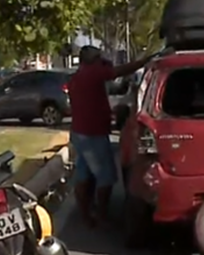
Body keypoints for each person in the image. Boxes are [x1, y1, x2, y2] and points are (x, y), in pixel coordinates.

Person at [67, 46, 162, 227]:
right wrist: (143, 61)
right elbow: (118, 71)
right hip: (93, 134)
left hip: (79, 132)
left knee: (83, 174)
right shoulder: (93, 73)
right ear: (94, 60)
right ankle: (102, 214)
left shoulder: (77, 77)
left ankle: (85, 213)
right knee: (105, 176)